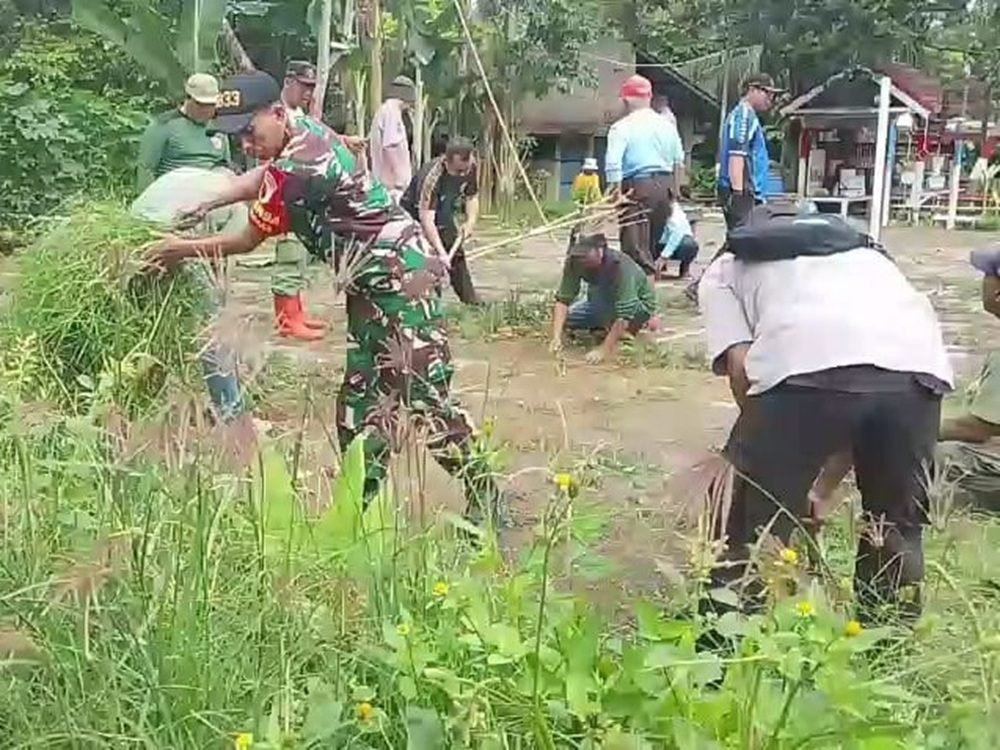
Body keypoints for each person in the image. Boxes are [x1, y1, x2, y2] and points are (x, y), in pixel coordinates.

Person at [148, 71, 508, 529]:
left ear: (277, 114)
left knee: (423, 397)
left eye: (250, 132)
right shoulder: (303, 131)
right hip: (370, 286)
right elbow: (264, 172)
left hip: (403, 281)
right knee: (359, 403)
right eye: (236, 136)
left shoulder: (299, 171)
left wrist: (174, 249)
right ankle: (359, 511)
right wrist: (214, 200)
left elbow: (245, 239)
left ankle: (487, 495)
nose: (245, 145)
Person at [698, 205, 953, 624]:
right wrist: (816, 488)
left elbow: (744, 371)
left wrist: (778, 471)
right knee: (895, 526)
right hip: (917, 369)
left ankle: (725, 649)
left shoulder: (725, 268)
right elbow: (865, 384)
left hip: (803, 370)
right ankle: (888, 646)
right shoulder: (865, 253)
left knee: (745, 523)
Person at [604, 74, 685, 278]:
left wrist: (614, 194)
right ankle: (644, 299)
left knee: (636, 251)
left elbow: (613, 164)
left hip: (637, 188)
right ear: (649, 97)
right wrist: (674, 193)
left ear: (626, 99)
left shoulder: (622, 127)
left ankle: (643, 304)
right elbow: (678, 161)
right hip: (664, 188)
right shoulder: (667, 125)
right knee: (649, 244)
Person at [270, 60, 327, 341]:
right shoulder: (277, 113)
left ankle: (297, 313)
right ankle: (285, 320)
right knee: (289, 254)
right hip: (286, 188)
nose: (308, 93)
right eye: (304, 87)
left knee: (300, 252)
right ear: (289, 82)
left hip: (303, 190)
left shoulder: (299, 113)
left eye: (312, 88)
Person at [549, 233, 658, 365]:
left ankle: (623, 331)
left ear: (600, 250)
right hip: (600, 300)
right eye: (578, 255)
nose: (581, 259)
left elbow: (625, 314)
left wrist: (603, 350)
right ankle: (607, 327)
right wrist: (556, 337)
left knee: (621, 317)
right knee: (569, 319)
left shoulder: (621, 267)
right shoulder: (574, 262)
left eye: (585, 255)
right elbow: (563, 300)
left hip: (635, 304)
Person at [400, 138, 481, 305]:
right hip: (414, 219)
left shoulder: (470, 167)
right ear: (446, 161)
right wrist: (441, 252)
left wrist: (470, 221)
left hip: (443, 213)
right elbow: (426, 219)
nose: (463, 174)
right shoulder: (431, 177)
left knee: (456, 254)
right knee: (428, 261)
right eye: (458, 171)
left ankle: (471, 302)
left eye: (465, 170)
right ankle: (429, 304)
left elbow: (471, 197)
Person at [137, 73, 229, 192]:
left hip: (212, 195)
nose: (206, 110)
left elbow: (226, 167)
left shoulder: (219, 128)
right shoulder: (164, 124)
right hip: (175, 193)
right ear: (188, 99)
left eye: (211, 105)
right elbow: (146, 168)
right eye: (201, 104)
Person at [717, 73, 781, 230]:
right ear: (752, 89)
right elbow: (736, 155)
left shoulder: (748, 116)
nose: (770, 99)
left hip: (746, 192)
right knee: (742, 241)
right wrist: (738, 195)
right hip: (742, 192)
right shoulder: (744, 116)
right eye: (768, 93)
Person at [370, 75, 416, 201]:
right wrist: (400, 180)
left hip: (389, 185)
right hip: (392, 187)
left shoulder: (387, 110)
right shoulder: (391, 112)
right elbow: (391, 146)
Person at [656, 198, 699, 279]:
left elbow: (677, 233)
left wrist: (664, 256)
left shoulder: (675, 211)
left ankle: (684, 269)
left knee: (689, 245)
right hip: (657, 241)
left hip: (676, 243)